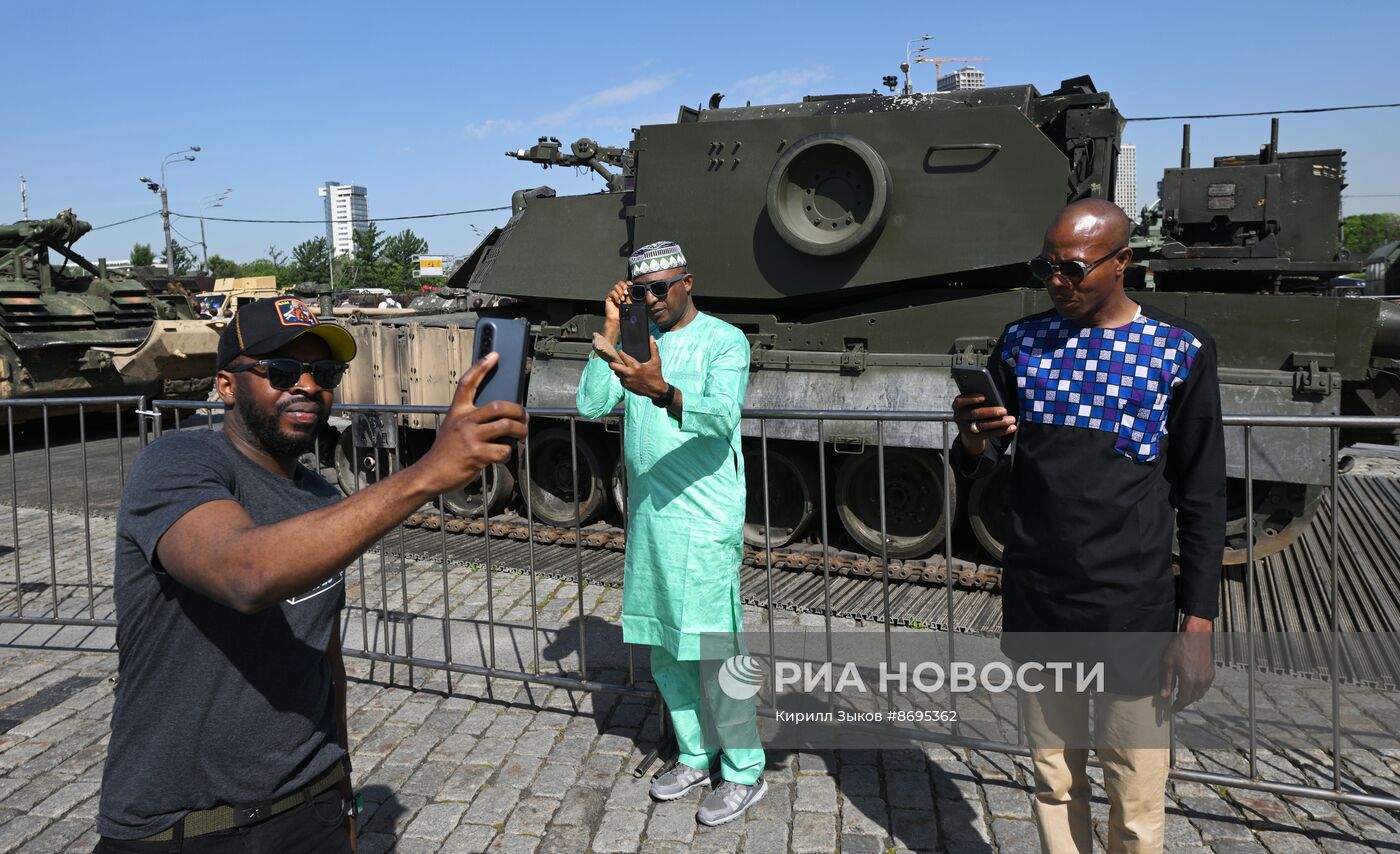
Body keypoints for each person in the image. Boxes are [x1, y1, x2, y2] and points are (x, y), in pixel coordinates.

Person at [96, 296, 528, 852]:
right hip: (184, 825)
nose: (307, 385)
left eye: (323, 372)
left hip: (311, 808)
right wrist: (428, 473)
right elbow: (243, 575)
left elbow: (322, 655)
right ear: (226, 386)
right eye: (280, 370)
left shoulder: (322, 497)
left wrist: (342, 791)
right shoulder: (179, 462)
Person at [952, 200, 1225, 854]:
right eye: (1047, 268)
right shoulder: (1022, 343)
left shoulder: (1179, 350)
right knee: (1053, 781)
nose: (1056, 283)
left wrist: (1197, 623)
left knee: (1134, 791)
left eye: (1072, 269)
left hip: (1129, 607)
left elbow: (1203, 494)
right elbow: (981, 462)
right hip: (1039, 601)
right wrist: (969, 437)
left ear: (1122, 261)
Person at [576, 241, 767, 826]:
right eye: (640, 291)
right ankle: (692, 753)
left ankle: (743, 771)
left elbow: (721, 416)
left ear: (688, 283)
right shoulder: (634, 339)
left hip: (704, 520)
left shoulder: (723, 340)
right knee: (664, 648)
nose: (652, 300)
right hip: (652, 520)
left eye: (661, 288)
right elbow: (590, 405)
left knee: (714, 649)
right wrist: (611, 331)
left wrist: (660, 389)